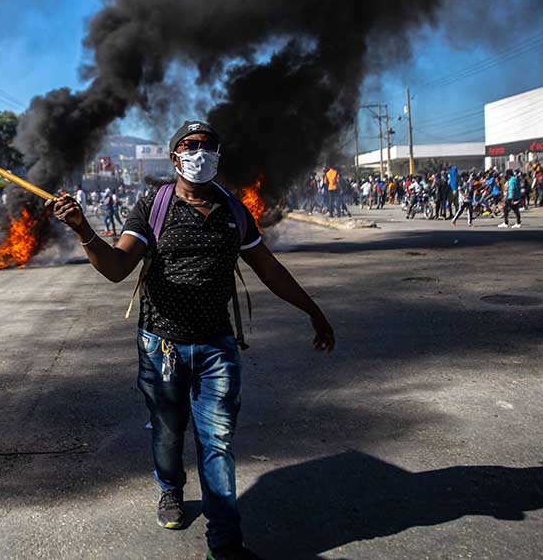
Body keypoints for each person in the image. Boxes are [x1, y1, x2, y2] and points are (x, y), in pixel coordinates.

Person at [46, 121, 335, 560]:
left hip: (217, 346)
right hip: (161, 346)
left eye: (208, 146)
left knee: (217, 440)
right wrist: (84, 230)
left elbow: (270, 270)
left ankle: (225, 542)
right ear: (174, 156)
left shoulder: (235, 211)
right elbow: (117, 266)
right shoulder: (153, 206)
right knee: (167, 432)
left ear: (218, 157)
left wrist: (313, 310)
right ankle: (170, 489)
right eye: (190, 145)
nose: (199, 152)